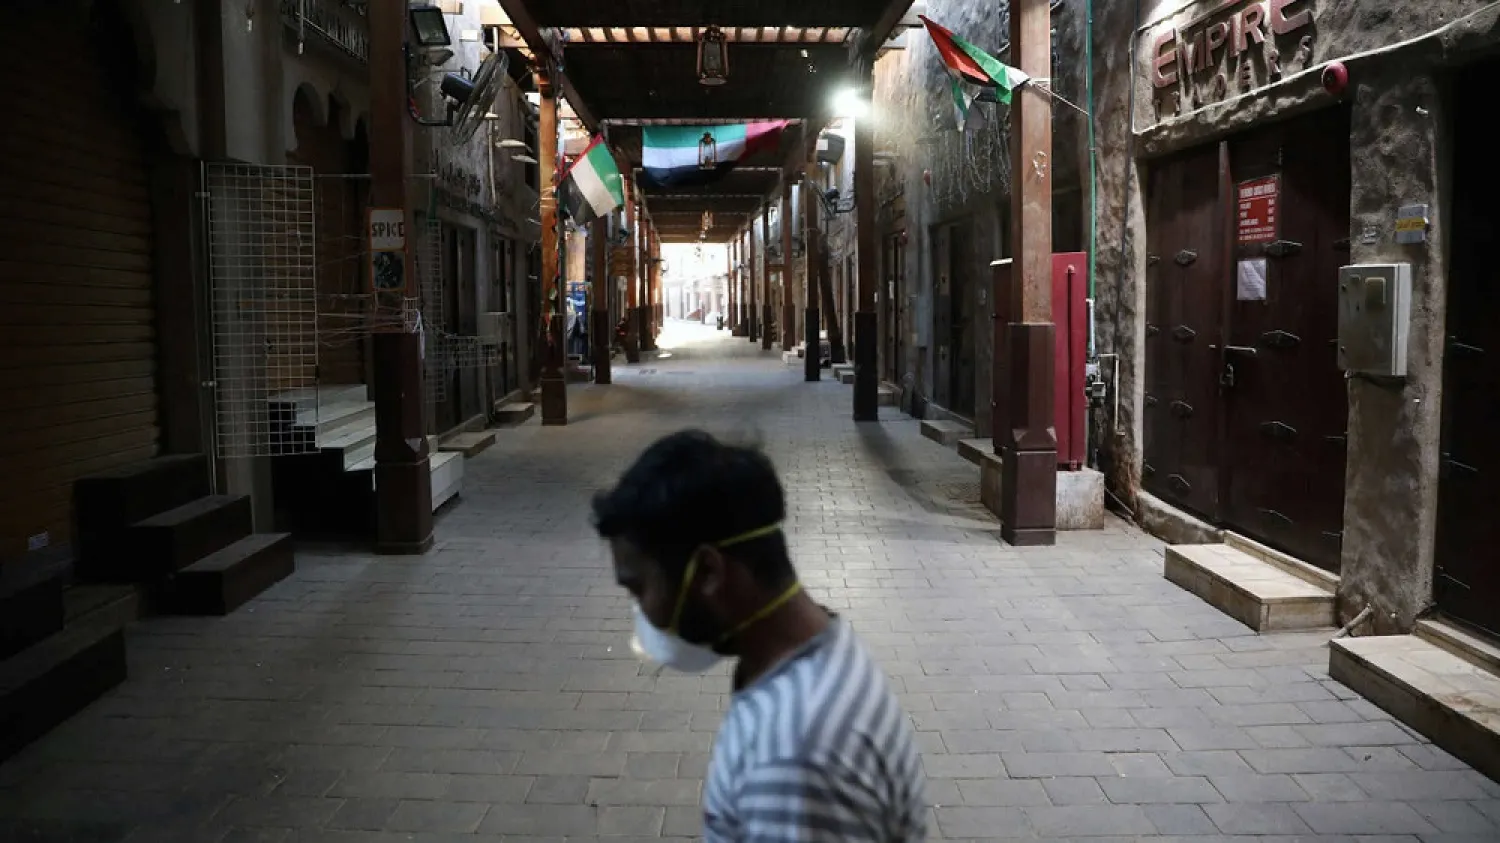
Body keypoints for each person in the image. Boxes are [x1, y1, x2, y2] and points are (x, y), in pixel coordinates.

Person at [591, 430, 928, 842]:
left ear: (710, 573)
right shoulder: (818, 650)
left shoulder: (794, 756)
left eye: (639, 587)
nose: (640, 610)